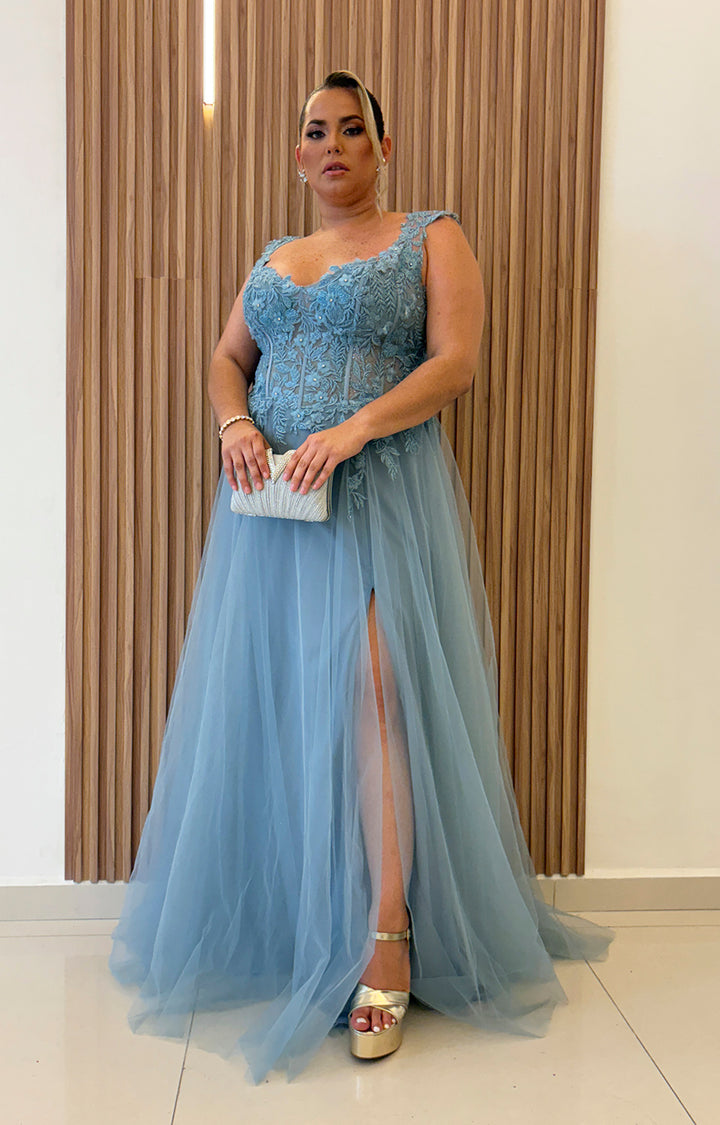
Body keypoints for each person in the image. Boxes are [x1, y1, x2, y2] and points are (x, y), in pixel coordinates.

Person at [108, 70, 614, 1085]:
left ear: (383, 145)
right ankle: (301, 922)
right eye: (316, 131)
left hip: (379, 492)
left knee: (375, 690)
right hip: (269, 510)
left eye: (352, 129)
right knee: (283, 704)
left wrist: (353, 430)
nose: (332, 145)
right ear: (297, 155)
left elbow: (455, 363)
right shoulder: (272, 256)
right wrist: (234, 421)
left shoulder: (431, 234)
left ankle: (389, 936)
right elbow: (225, 358)